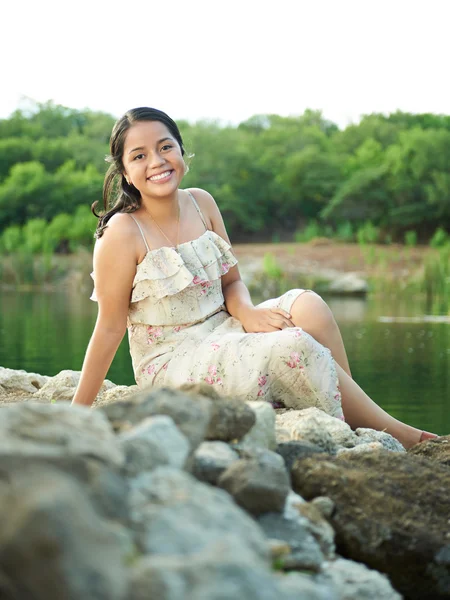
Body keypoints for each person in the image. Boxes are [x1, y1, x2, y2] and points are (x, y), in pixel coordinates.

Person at [71, 107, 438, 449]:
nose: (156, 161)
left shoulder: (201, 203)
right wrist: (75, 415)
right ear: (123, 170)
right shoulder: (121, 233)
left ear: (182, 151)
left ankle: (352, 422)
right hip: (174, 359)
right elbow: (109, 328)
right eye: (139, 155)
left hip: (225, 327)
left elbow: (232, 283)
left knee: (309, 306)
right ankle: (404, 436)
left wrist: (246, 312)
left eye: (165, 147)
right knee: (292, 344)